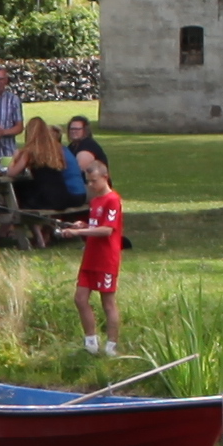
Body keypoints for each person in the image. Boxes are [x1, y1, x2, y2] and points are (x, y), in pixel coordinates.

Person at [71, 147, 129, 355]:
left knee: (108, 302)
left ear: (105, 177)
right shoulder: (94, 201)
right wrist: (82, 225)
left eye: (94, 181)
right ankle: (91, 343)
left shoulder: (113, 200)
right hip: (90, 257)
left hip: (106, 259)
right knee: (80, 298)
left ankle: (112, 346)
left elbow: (106, 230)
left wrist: (80, 232)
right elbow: (95, 223)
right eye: (88, 181)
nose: (91, 185)